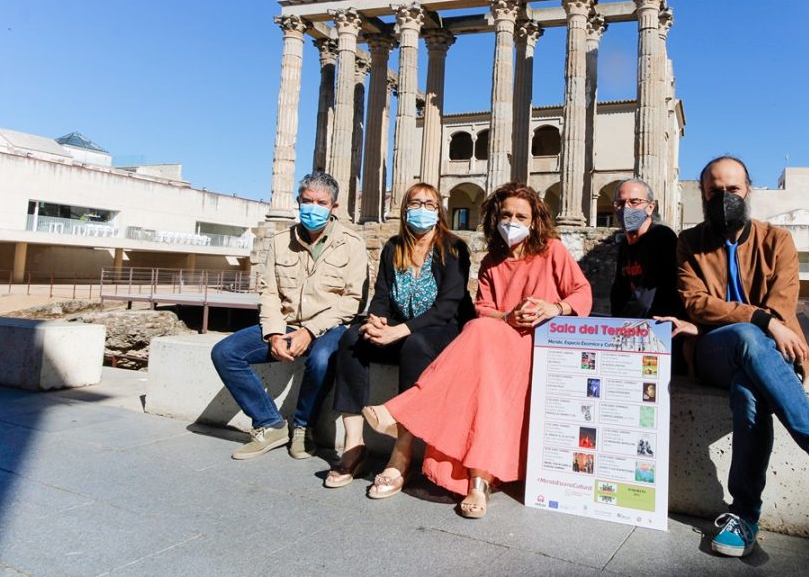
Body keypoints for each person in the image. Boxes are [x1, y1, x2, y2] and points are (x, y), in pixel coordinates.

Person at [660, 156, 809, 558]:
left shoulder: (777, 240)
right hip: (715, 350)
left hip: (772, 353)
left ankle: (745, 515)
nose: (724, 197)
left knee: (750, 391)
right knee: (750, 335)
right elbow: (695, 303)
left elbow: (782, 308)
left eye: (732, 189)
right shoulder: (690, 243)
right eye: (714, 190)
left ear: (748, 190)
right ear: (702, 194)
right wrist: (755, 318)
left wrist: (757, 320)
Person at [361, 182, 592, 518]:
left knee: (478, 330)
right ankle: (478, 484)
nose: (512, 220)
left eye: (521, 215)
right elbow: (483, 307)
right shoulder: (492, 262)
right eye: (507, 214)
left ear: (535, 220)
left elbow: (582, 294)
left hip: (536, 345)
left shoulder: (552, 251)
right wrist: (509, 316)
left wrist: (552, 308)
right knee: (481, 343)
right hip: (494, 343)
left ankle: (403, 411)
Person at [323, 182, 475, 489]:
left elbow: (448, 307)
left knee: (416, 345)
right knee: (352, 339)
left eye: (430, 205)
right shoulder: (394, 247)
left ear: (439, 211)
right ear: (405, 209)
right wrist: (377, 321)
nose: (422, 210)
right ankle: (354, 445)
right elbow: (381, 295)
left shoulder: (453, 248)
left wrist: (399, 331)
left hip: (441, 332)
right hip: (399, 328)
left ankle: (401, 452)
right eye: (415, 203)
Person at [211, 172, 367, 460]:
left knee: (321, 359)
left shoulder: (352, 243)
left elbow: (352, 301)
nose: (313, 207)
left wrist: (309, 332)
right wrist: (273, 333)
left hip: (329, 326)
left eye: (321, 202)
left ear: (334, 207)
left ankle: (303, 427)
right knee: (225, 352)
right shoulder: (281, 241)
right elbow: (269, 292)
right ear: (298, 202)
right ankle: (270, 424)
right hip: (285, 322)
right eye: (307, 201)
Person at [608, 178, 687, 372]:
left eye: (634, 202)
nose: (626, 208)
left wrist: (613, 332)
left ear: (650, 207)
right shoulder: (625, 244)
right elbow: (618, 291)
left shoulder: (661, 237)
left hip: (663, 336)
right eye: (620, 203)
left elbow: (644, 299)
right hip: (635, 331)